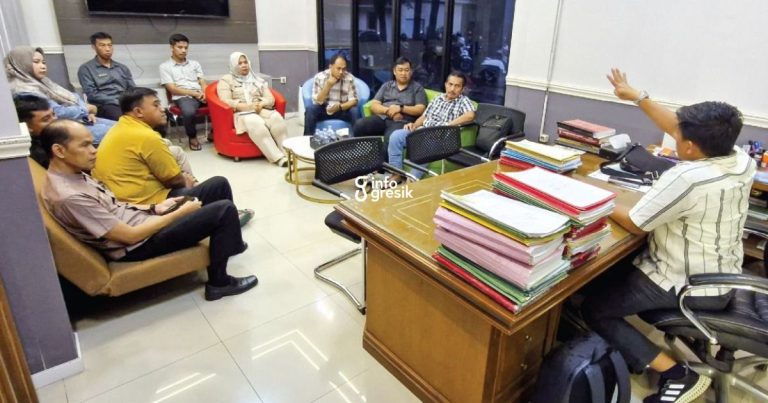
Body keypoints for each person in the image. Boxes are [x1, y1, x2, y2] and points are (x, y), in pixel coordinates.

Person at [581, 68, 755, 403]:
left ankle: (677, 374)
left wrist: (588, 192)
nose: (674, 137)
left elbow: (636, 221)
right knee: (608, 269)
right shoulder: (740, 159)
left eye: (679, 137)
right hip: (723, 271)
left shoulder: (690, 177)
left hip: (688, 283)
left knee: (595, 307)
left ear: (689, 147)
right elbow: (678, 128)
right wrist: (637, 97)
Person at [39, 119, 257, 301]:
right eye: (85, 145)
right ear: (59, 150)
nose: (93, 150)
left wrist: (155, 207)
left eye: (92, 143)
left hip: (141, 222)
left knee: (217, 184)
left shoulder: (74, 173)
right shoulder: (70, 196)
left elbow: (114, 205)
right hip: (138, 245)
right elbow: (127, 236)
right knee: (223, 210)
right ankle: (219, 283)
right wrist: (178, 213)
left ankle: (230, 244)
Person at [91, 87, 253, 226]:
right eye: (156, 105)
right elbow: (173, 180)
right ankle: (228, 220)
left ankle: (202, 198)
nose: (162, 109)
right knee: (219, 184)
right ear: (138, 112)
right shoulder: (146, 136)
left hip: (122, 198)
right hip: (144, 205)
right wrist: (185, 180)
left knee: (175, 151)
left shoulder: (121, 126)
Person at [5, 46, 115, 144]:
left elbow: (74, 97)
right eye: (36, 62)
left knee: (126, 125)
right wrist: (85, 109)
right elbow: (58, 113)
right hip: (60, 131)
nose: (42, 66)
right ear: (22, 64)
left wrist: (85, 112)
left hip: (78, 120)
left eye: (43, 62)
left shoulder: (43, 82)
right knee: (121, 132)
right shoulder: (24, 91)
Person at [387, 72, 476, 180]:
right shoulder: (437, 98)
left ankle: (412, 180)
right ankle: (396, 174)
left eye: (457, 86)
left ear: (462, 89)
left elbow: (470, 115)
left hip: (440, 138)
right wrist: (414, 125)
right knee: (396, 136)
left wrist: (447, 125)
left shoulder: (463, 101)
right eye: (450, 84)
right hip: (423, 131)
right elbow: (424, 116)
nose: (452, 89)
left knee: (427, 144)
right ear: (445, 84)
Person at [217, 52, 289, 167]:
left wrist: (261, 103)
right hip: (241, 113)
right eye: (239, 63)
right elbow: (225, 101)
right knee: (255, 122)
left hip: (260, 109)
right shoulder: (226, 80)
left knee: (276, 118)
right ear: (233, 65)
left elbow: (270, 98)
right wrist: (246, 106)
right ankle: (278, 158)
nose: (244, 65)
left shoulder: (257, 79)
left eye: (245, 62)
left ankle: (288, 153)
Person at [352, 56, 427, 144]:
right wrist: (389, 111)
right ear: (394, 71)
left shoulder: (417, 88)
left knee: (391, 137)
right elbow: (374, 105)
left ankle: (384, 158)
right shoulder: (387, 86)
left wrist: (401, 108)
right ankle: (366, 154)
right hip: (383, 118)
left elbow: (420, 109)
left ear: (411, 72)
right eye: (400, 70)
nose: (403, 73)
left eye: (406, 70)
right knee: (359, 125)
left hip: (402, 121)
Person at [160, 33, 207, 151]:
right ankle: (192, 137)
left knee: (222, 105)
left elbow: (202, 82)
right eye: (180, 47)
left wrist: (205, 93)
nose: (183, 50)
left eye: (186, 48)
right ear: (171, 47)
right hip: (182, 96)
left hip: (200, 94)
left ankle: (213, 133)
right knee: (189, 112)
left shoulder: (195, 64)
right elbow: (172, 89)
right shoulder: (165, 67)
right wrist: (194, 93)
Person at [77, 32, 136, 121]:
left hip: (126, 103)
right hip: (104, 105)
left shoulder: (122, 68)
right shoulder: (86, 69)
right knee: (124, 119)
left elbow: (132, 89)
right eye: (102, 45)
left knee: (153, 116)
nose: (107, 49)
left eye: (110, 45)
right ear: (94, 47)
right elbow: (92, 94)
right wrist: (118, 100)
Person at [304, 53, 359, 135]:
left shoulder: (349, 78)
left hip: (341, 109)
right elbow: (317, 101)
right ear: (330, 67)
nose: (341, 72)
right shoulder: (320, 77)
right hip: (324, 109)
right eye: (338, 68)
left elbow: (354, 100)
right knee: (310, 110)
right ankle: (307, 140)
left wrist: (340, 107)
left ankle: (358, 142)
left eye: (344, 69)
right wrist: (328, 85)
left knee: (354, 111)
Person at [14, 94, 56, 168]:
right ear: (27, 126)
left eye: (53, 115)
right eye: (46, 119)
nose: (55, 120)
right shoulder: (39, 155)